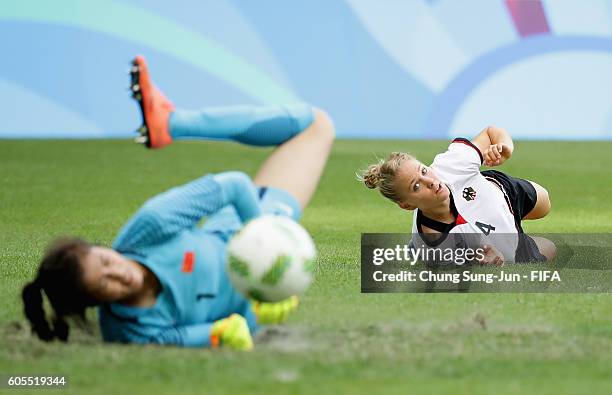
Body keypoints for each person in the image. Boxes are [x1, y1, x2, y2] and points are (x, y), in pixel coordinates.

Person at [22, 55, 335, 349]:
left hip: (239, 226)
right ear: (97, 302)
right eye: (105, 285)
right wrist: (261, 306)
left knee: (315, 125)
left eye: (106, 261)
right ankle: (169, 123)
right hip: (254, 290)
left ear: (102, 248)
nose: (119, 273)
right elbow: (223, 332)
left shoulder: (150, 226)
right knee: (317, 127)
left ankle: (171, 123)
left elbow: (236, 186)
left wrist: (266, 240)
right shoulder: (128, 331)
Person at [360, 126, 555, 264]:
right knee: (551, 248)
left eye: (424, 171)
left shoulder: (451, 165)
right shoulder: (437, 246)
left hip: (503, 193)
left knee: (545, 203)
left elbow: (491, 132)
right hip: (511, 244)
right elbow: (474, 265)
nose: (430, 182)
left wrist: (504, 149)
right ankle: (414, 250)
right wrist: (488, 260)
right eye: (416, 186)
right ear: (407, 205)